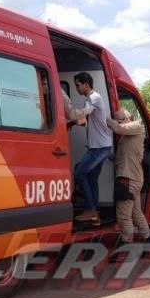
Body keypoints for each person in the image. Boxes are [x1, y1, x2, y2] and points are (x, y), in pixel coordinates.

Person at [62, 72, 112, 225]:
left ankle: (91, 209)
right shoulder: (92, 99)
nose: (77, 88)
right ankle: (95, 216)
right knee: (91, 178)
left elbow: (81, 114)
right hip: (101, 147)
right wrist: (71, 124)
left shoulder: (93, 98)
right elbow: (86, 119)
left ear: (85, 84)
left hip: (99, 148)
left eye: (77, 85)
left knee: (79, 172)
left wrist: (63, 99)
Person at [106, 108, 150, 246]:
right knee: (137, 214)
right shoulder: (126, 137)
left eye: (119, 120)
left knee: (124, 216)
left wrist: (102, 115)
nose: (118, 123)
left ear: (126, 119)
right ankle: (147, 240)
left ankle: (126, 245)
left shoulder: (136, 126)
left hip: (128, 178)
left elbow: (118, 128)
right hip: (133, 178)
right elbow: (120, 157)